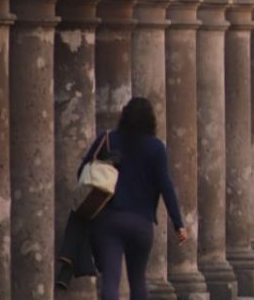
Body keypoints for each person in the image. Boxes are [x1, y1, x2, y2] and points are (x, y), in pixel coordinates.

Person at [79, 97, 188, 300]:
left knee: (110, 282)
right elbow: (166, 186)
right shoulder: (156, 148)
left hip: (108, 220)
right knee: (138, 282)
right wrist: (178, 224)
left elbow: (82, 172)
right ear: (151, 121)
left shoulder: (108, 139)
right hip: (141, 223)